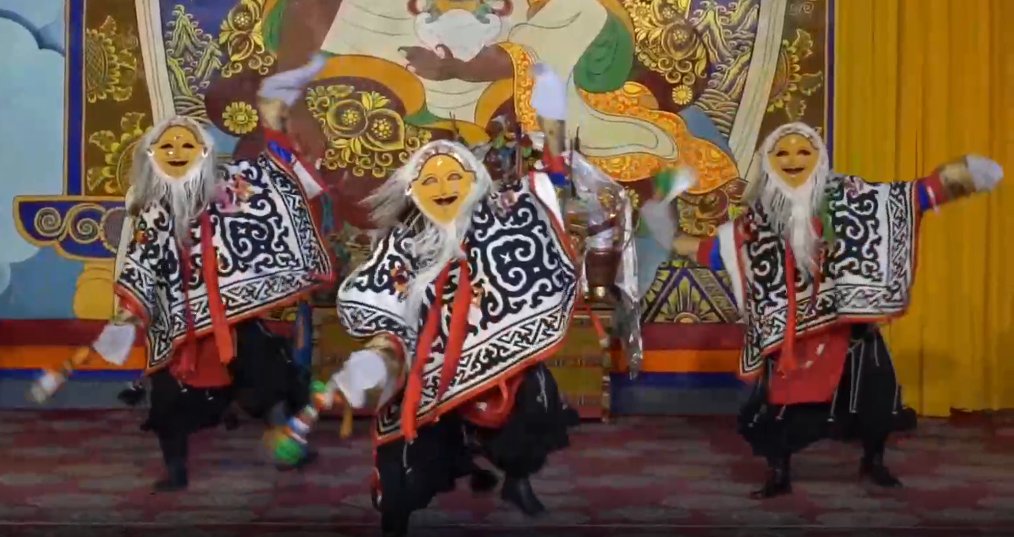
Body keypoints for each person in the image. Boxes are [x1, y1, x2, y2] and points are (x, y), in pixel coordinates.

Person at [669, 122, 1004, 498]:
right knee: (783, 410)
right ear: (768, 161)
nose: (793, 159)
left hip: (849, 325)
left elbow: (906, 198)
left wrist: (953, 180)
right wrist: (673, 241)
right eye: (782, 153)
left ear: (819, 157)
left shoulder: (849, 195)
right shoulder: (759, 215)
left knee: (874, 399)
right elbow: (726, 251)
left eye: (803, 151)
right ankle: (779, 472)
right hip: (793, 334)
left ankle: (873, 461)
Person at [326, 66, 579, 536]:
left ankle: (517, 478)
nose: (443, 188)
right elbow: (385, 305)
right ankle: (398, 516)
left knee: (536, 396)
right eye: (430, 180)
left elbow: (548, 198)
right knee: (403, 467)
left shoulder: (504, 222)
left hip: (494, 355)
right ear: (413, 190)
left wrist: (552, 130)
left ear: (474, 181)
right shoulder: (401, 241)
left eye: (453, 178)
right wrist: (378, 357)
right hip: (426, 367)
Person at [111, 56, 336, 492]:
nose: (177, 153)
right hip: (179, 321)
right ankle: (175, 470)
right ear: (153, 155)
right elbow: (141, 260)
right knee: (170, 401)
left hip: (233, 311)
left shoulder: (230, 186)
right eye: (168, 147)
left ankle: (288, 448)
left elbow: (279, 180)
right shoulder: (150, 206)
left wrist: (273, 123)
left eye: (186, 145)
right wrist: (128, 311)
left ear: (204, 152)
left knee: (270, 378)